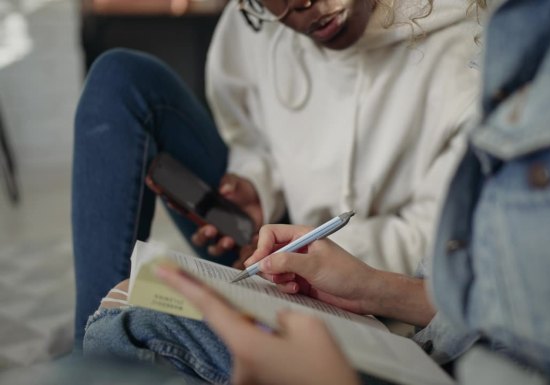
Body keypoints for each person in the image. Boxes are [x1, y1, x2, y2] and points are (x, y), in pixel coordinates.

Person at [134, 0, 550, 384]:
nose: (301, 9)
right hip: (410, 325)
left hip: (396, 344)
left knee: (132, 328)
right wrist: (377, 289)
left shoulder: (476, 48)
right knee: (131, 320)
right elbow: (509, 301)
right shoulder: (539, 30)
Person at [72, 0, 481, 346]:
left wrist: (314, 256)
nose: (305, 9)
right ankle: (95, 356)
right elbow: (250, 137)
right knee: (120, 79)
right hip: (269, 252)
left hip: (380, 278)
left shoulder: (472, 53)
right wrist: (255, 185)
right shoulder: (252, 22)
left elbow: (439, 244)